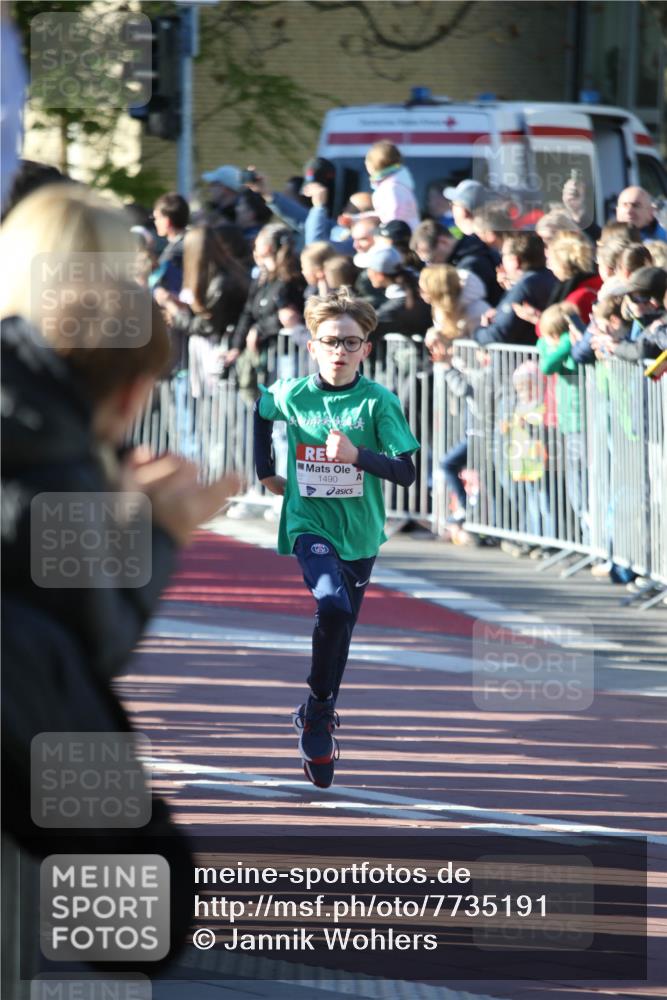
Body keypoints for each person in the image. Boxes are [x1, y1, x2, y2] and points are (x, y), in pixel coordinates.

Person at [253, 288, 419, 788]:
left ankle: (318, 708)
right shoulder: (293, 394)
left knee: (341, 624)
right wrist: (264, 471)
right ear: (312, 346)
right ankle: (322, 711)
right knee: (334, 606)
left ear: (367, 348)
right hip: (309, 522)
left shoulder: (378, 402)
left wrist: (356, 457)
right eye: (331, 342)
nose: (340, 352)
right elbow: (261, 411)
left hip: (361, 532)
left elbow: (407, 473)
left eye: (351, 343)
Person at [160, 224, 250, 395]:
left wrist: (174, 311)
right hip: (214, 354)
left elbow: (207, 325)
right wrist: (181, 305)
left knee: (220, 412)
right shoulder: (223, 276)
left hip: (220, 355)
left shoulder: (221, 282)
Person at [474, 232, 556, 346]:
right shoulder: (550, 278)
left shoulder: (525, 286)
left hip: (522, 361)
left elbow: (500, 333)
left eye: (503, 255)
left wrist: (479, 333)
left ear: (515, 260)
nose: (501, 260)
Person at [419, 264, 490, 339]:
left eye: (423, 290)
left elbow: (481, 344)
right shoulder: (438, 307)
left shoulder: (475, 310)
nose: (420, 292)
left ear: (438, 291)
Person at [364, 140, 420, 231]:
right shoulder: (395, 185)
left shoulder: (391, 188)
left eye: (367, 161)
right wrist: (357, 219)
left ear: (373, 164)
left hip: (399, 241)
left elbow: (393, 223)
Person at [151, 192, 190, 296]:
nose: (155, 222)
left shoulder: (174, 254)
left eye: (157, 217)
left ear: (167, 221)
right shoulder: (194, 241)